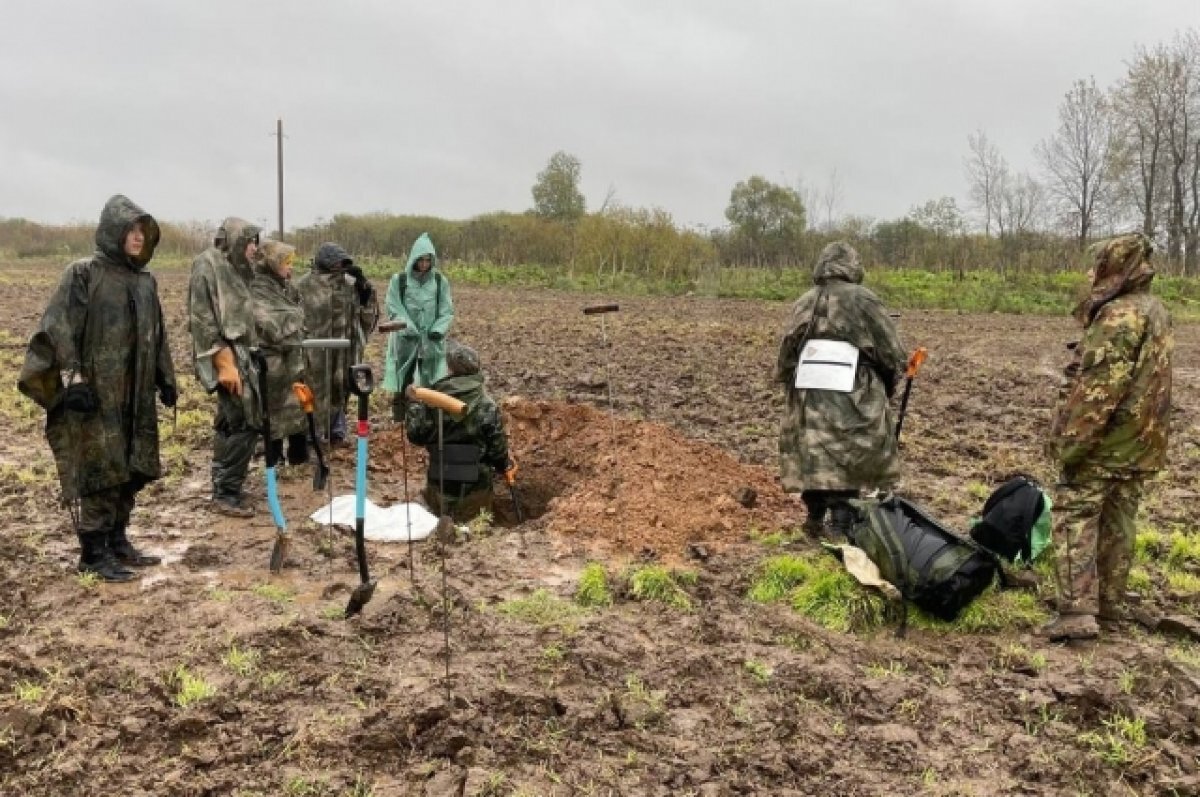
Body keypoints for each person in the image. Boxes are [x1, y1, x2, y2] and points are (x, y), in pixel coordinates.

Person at [18, 195, 176, 581]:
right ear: (113, 231)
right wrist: (73, 381)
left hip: (135, 396)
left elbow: (157, 334)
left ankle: (118, 539)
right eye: (130, 230)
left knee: (134, 466)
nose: (138, 238)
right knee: (100, 470)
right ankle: (93, 551)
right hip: (96, 396)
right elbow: (57, 330)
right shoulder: (83, 274)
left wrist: (165, 377)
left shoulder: (144, 281)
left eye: (143, 231)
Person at [1041, 233, 1173, 642]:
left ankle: (1077, 611)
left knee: (1075, 515)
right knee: (1119, 519)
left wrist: (1070, 445)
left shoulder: (1117, 316)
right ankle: (1111, 604)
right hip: (1142, 440)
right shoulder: (1156, 310)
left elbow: (1099, 392)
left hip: (1107, 442)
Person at [775, 241, 907, 539]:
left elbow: (787, 350)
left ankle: (815, 515)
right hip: (854, 389)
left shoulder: (805, 300)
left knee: (813, 450)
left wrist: (788, 380)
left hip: (809, 391)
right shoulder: (864, 300)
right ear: (853, 266)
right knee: (851, 448)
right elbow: (891, 351)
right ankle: (842, 520)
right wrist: (888, 383)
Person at [188, 218, 263, 517]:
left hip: (242, 353)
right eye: (250, 242)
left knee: (231, 421)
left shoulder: (237, 269)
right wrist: (223, 362)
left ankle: (227, 485)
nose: (254, 248)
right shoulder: (208, 265)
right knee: (244, 421)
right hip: (225, 356)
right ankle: (225, 492)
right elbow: (202, 319)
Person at [405, 340, 513, 521]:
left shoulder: (434, 398)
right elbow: (497, 452)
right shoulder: (486, 404)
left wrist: (414, 405)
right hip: (475, 492)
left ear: (450, 369)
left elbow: (416, 435)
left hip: (439, 487)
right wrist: (505, 465)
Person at [294, 242, 379, 445]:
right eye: (336, 262)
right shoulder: (304, 285)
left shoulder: (349, 284)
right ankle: (311, 433)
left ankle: (337, 430)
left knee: (341, 386)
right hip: (314, 350)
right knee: (314, 389)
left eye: (343, 263)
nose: (340, 267)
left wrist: (366, 291)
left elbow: (366, 315)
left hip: (344, 349)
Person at [383, 233, 454, 419]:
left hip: (431, 341)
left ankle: (428, 421)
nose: (424, 264)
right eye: (420, 260)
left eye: (427, 260)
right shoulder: (399, 281)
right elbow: (394, 306)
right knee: (403, 381)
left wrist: (438, 329)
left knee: (432, 380)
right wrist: (407, 328)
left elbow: (446, 310)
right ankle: (400, 419)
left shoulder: (439, 282)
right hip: (405, 341)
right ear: (413, 259)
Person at [251, 240, 309, 467]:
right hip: (271, 363)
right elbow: (269, 324)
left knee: (298, 409)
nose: (290, 267)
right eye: (286, 262)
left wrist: (295, 319)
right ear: (272, 263)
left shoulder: (287, 287)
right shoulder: (258, 287)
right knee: (272, 414)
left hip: (293, 360)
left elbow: (300, 314)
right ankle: (272, 462)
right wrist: (296, 318)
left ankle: (299, 459)